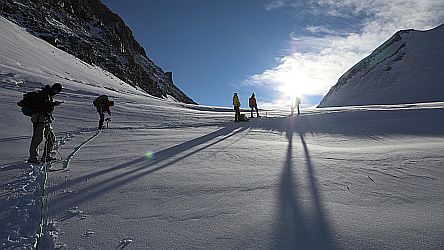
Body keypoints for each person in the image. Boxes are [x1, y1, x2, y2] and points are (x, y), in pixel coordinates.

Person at [27, 83, 63, 163]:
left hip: (45, 119)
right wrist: (54, 104)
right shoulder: (43, 94)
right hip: (39, 119)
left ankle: (46, 156)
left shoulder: (49, 94)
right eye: (58, 91)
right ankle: (33, 158)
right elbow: (42, 106)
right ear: (55, 89)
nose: (58, 93)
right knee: (37, 138)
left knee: (51, 138)